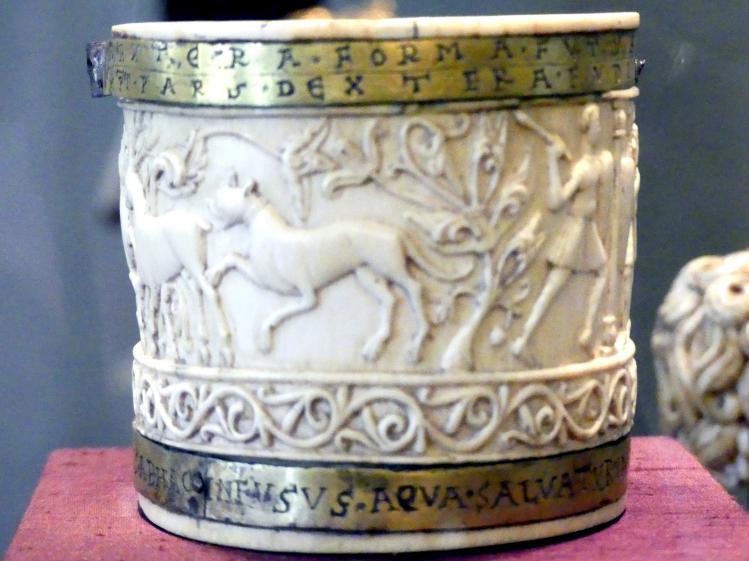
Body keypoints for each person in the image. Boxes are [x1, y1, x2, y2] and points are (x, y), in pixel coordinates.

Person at [511, 104, 613, 357]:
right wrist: (551, 161)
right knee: (553, 286)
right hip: (575, 229)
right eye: (595, 125)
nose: (599, 129)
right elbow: (555, 202)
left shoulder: (592, 163)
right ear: (586, 130)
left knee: (602, 271)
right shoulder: (582, 169)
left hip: (587, 228)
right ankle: (524, 338)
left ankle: (587, 332)